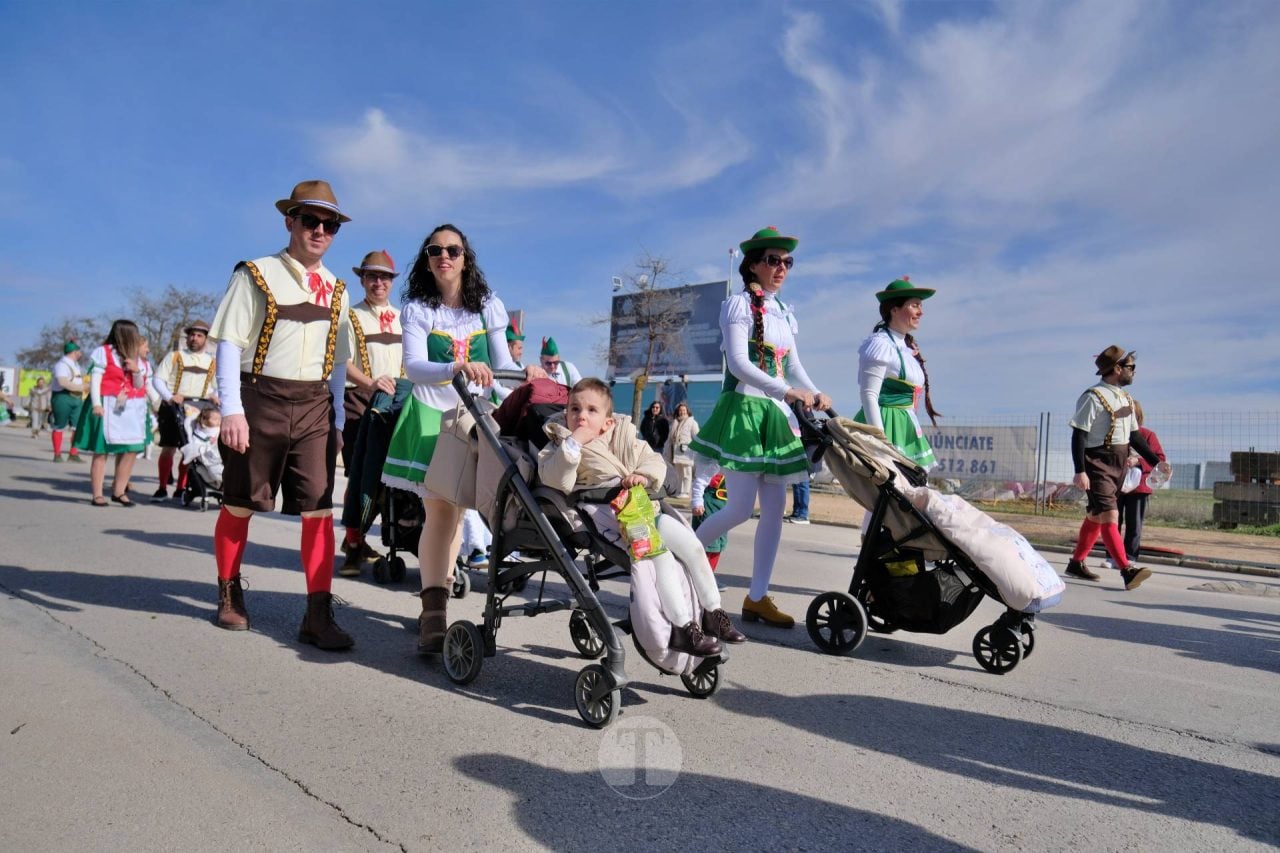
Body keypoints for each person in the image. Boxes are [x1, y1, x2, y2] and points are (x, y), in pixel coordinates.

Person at [207, 179, 357, 650]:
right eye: (310, 220)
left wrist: (336, 420)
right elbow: (230, 342)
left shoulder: (338, 289)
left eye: (329, 224)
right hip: (260, 398)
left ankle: (317, 613)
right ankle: (229, 593)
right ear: (289, 221)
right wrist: (231, 409)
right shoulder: (256, 273)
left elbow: (336, 362)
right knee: (240, 500)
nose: (319, 230)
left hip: (314, 405)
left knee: (318, 509)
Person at [380, 223, 543, 655]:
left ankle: (441, 590)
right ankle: (433, 612)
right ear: (427, 260)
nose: (444, 256)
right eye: (435, 250)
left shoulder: (488, 306)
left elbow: (503, 365)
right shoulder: (417, 308)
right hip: (432, 418)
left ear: (465, 257)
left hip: (475, 420)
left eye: (452, 249)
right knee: (441, 513)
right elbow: (413, 367)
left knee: (458, 512)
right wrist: (455, 368)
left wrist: (530, 385)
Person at [538, 377, 744, 653]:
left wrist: (644, 476)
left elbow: (653, 460)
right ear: (566, 414)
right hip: (610, 514)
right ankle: (683, 628)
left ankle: (712, 612)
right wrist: (573, 444)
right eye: (574, 409)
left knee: (693, 546)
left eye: (591, 410)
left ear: (608, 421)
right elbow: (556, 478)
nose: (581, 417)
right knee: (661, 558)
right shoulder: (560, 444)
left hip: (644, 507)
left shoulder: (622, 436)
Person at [689, 226, 830, 628]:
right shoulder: (737, 306)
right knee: (737, 508)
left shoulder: (784, 312)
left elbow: (792, 364)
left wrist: (816, 392)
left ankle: (757, 597)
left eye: (787, 261)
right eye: (773, 260)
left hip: (774, 415)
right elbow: (738, 363)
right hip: (746, 411)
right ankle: (682, 559)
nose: (781, 267)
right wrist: (787, 392)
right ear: (752, 265)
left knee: (774, 509)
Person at [1063, 346, 1169, 591]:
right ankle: (1127, 570)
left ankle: (1076, 563)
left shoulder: (1126, 399)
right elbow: (1079, 434)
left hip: (1118, 465)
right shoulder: (1092, 396)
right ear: (1117, 369)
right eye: (1131, 367)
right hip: (1096, 464)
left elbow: (1134, 436)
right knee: (1111, 515)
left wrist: (1156, 463)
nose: (1134, 372)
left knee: (1095, 515)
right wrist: (1080, 470)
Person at [337, 250, 404, 577]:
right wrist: (371, 381)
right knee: (359, 476)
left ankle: (360, 538)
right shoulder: (350, 317)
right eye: (372, 276)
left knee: (391, 479)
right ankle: (352, 544)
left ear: (392, 282)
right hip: (360, 402)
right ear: (362, 280)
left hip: (398, 404)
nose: (378, 282)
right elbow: (342, 362)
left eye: (384, 277)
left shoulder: (405, 318)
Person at [854, 276, 941, 469]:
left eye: (921, 306)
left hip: (905, 425)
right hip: (887, 425)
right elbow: (869, 395)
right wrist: (880, 443)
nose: (921, 312)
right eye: (915, 305)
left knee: (913, 490)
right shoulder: (880, 344)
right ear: (894, 310)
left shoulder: (904, 346)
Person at [72, 320, 151, 507]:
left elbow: (139, 385)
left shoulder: (137, 358)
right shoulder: (104, 352)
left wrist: (136, 370)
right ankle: (97, 494)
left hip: (131, 408)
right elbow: (95, 380)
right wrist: (96, 404)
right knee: (101, 451)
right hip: (108, 404)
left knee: (131, 450)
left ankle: (119, 491)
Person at [151, 320, 218, 501]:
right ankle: (162, 487)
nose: (194, 338)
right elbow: (157, 379)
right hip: (173, 408)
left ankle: (181, 488)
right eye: (191, 335)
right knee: (168, 448)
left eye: (199, 335)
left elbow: (216, 386)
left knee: (191, 450)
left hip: (198, 410)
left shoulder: (211, 362)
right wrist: (170, 396)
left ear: (206, 339)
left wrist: (213, 395)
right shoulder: (174, 356)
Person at [1116, 400, 1166, 565]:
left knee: (1134, 524)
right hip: (1116, 484)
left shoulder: (1147, 435)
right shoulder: (1116, 435)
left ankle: (1130, 557)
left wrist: (1138, 462)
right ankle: (1113, 556)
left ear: (1137, 416)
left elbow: (1159, 460)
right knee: (1113, 521)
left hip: (1140, 487)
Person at [49, 341, 86, 463]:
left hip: (76, 398)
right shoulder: (61, 365)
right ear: (74, 352)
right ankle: (57, 454)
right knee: (59, 425)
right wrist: (82, 387)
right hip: (62, 397)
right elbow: (62, 382)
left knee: (77, 427)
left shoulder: (76, 365)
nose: (81, 354)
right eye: (79, 351)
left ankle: (73, 453)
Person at [181, 406, 224, 488]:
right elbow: (196, 445)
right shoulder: (200, 433)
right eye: (215, 419)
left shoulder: (220, 429)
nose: (218, 421)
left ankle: (221, 484)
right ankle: (218, 484)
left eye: (219, 419)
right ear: (203, 421)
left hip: (222, 457)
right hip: (210, 460)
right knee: (216, 472)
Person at [664, 401, 699, 497]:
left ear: (687, 411)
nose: (682, 412)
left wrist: (693, 448)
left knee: (686, 473)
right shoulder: (675, 422)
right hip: (676, 452)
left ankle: (686, 492)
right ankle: (679, 490)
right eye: (680, 410)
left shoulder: (692, 422)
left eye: (684, 410)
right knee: (678, 473)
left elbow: (696, 436)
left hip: (686, 452)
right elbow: (670, 438)